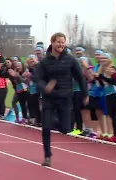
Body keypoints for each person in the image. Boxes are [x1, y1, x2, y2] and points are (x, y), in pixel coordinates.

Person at [35, 32, 88, 167]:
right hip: (49, 98)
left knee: (65, 129)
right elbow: (38, 79)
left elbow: (80, 78)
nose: (61, 44)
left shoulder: (70, 60)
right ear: (52, 43)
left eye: (63, 42)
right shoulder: (44, 62)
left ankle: (55, 121)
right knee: (46, 127)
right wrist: (45, 87)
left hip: (65, 98)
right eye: (58, 42)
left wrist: (85, 94)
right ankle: (47, 156)